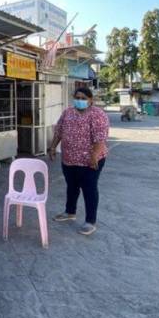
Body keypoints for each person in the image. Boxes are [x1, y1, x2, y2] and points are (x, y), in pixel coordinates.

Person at [48, 87, 109, 236]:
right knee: (72, 187)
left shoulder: (97, 115)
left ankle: (90, 221)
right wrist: (52, 147)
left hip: (90, 161)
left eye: (83, 98)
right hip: (69, 159)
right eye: (77, 97)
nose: (79, 100)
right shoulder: (67, 113)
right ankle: (70, 212)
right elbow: (59, 131)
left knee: (89, 189)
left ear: (90, 100)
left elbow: (101, 138)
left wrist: (94, 155)